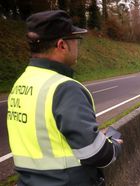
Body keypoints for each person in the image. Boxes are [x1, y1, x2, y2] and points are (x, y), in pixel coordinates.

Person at [6, 10, 123, 186]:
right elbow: (96, 154)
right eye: (76, 39)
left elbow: (46, 135)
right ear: (62, 45)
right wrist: (114, 144)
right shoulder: (65, 88)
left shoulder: (22, 82)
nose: (77, 45)